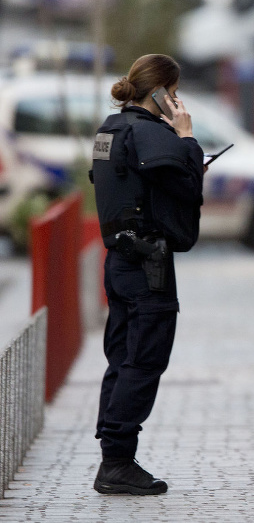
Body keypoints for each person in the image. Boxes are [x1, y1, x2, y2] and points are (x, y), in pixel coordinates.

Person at [90, 54, 205, 495]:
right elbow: (186, 185)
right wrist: (188, 139)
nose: (176, 101)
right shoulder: (150, 131)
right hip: (147, 264)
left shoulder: (111, 129)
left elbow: (137, 182)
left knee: (122, 358)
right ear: (159, 91)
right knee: (144, 360)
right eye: (173, 93)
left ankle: (113, 454)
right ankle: (117, 462)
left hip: (119, 260)